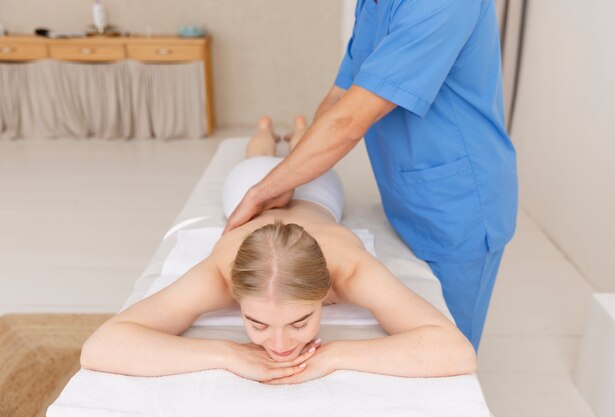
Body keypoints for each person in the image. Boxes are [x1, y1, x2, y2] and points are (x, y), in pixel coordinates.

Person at [80, 117, 476, 385]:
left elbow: (456, 352)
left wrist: (335, 355)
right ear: (236, 295)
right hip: (253, 186)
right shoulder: (221, 274)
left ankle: (302, 131)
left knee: (309, 156)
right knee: (257, 160)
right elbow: (102, 346)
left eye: (301, 322)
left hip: (318, 197)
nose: (281, 347)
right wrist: (227, 353)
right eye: (257, 323)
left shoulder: (350, 268)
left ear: (325, 292)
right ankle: (266, 129)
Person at [224, 0, 518, 352]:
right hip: (409, 193)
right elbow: (340, 97)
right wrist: (293, 172)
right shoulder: (372, 4)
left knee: (446, 339)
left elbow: (352, 120)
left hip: (459, 203)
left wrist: (265, 190)